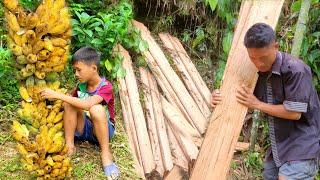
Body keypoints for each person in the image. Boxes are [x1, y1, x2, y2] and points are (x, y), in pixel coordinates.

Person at [211, 23, 320, 180]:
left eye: (263, 57)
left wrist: (256, 104)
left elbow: (294, 113)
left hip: (302, 147)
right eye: (252, 58)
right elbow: (242, 101)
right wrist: (217, 98)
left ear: (276, 46)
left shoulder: (296, 70)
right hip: (278, 148)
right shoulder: (257, 74)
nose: (259, 63)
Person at [40, 46, 120, 179]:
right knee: (70, 103)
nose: (76, 74)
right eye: (75, 70)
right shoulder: (81, 86)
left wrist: (58, 95)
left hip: (102, 129)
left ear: (93, 68)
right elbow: (71, 104)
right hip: (84, 128)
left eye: (79, 70)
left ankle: (106, 153)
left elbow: (88, 104)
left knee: (96, 109)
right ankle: (70, 145)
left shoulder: (106, 87)